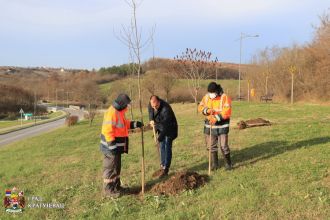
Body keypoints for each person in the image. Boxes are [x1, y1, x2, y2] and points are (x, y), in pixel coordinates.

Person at [100, 94, 143, 198]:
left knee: (116, 167)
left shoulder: (120, 112)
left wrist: (134, 124)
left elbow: (124, 124)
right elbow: (107, 131)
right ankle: (108, 191)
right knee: (110, 168)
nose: (128, 106)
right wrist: (112, 147)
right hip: (111, 148)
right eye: (127, 104)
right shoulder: (112, 113)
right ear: (122, 104)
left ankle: (116, 187)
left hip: (116, 147)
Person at [198, 82, 233, 171]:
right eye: (209, 92)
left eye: (212, 93)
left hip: (222, 126)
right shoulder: (206, 97)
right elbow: (200, 107)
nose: (211, 95)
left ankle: (228, 164)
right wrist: (207, 110)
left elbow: (227, 111)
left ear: (217, 91)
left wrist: (216, 118)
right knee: (211, 145)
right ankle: (215, 164)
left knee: (223, 145)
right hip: (210, 126)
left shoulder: (224, 97)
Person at [148, 95, 178, 178]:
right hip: (160, 126)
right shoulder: (151, 104)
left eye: (156, 106)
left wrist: (160, 137)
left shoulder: (166, 109)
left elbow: (166, 126)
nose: (155, 108)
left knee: (167, 146)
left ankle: (166, 168)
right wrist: (151, 119)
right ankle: (162, 165)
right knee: (161, 146)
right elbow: (150, 110)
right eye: (153, 106)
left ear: (159, 102)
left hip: (170, 128)